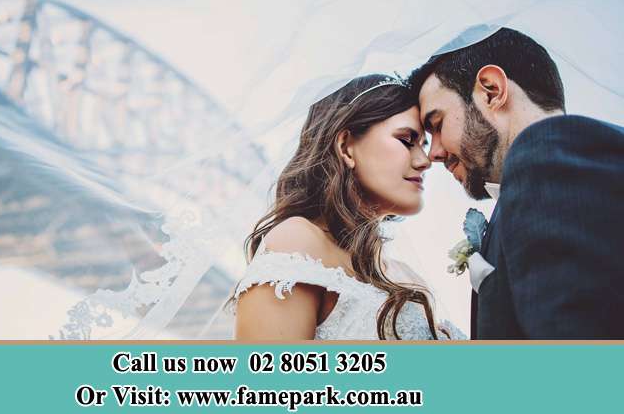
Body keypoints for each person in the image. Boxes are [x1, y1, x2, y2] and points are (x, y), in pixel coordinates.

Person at [410, 27, 624, 339]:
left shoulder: (545, 157)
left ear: (491, 90)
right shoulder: (566, 168)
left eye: (438, 124)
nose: (435, 153)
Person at [231, 74, 464, 340]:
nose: (424, 161)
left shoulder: (407, 277)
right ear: (346, 147)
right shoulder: (299, 242)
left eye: (422, 145)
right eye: (406, 140)